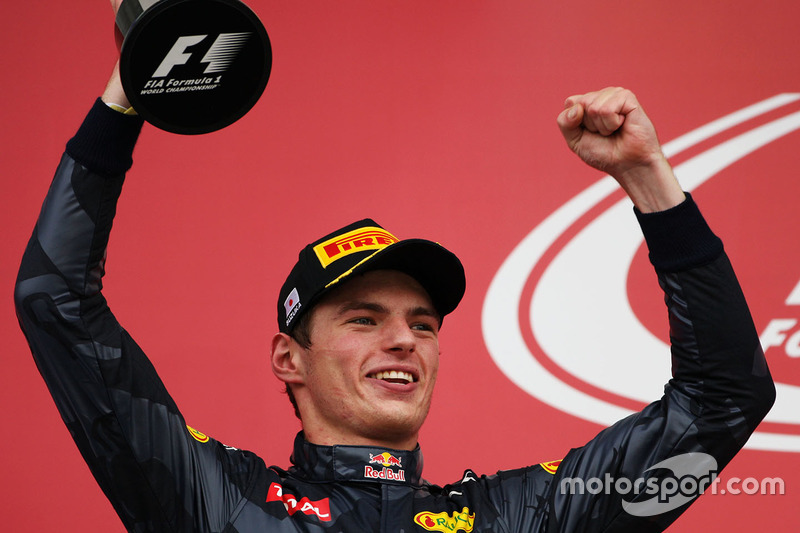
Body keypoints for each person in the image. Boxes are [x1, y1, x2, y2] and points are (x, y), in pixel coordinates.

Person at [14, 6, 775, 532]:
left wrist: (650, 182)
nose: (405, 340)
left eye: (421, 323)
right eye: (363, 318)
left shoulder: (519, 515)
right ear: (290, 357)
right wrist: (128, 93)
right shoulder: (214, 498)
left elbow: (722, 401)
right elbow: (56, 299)